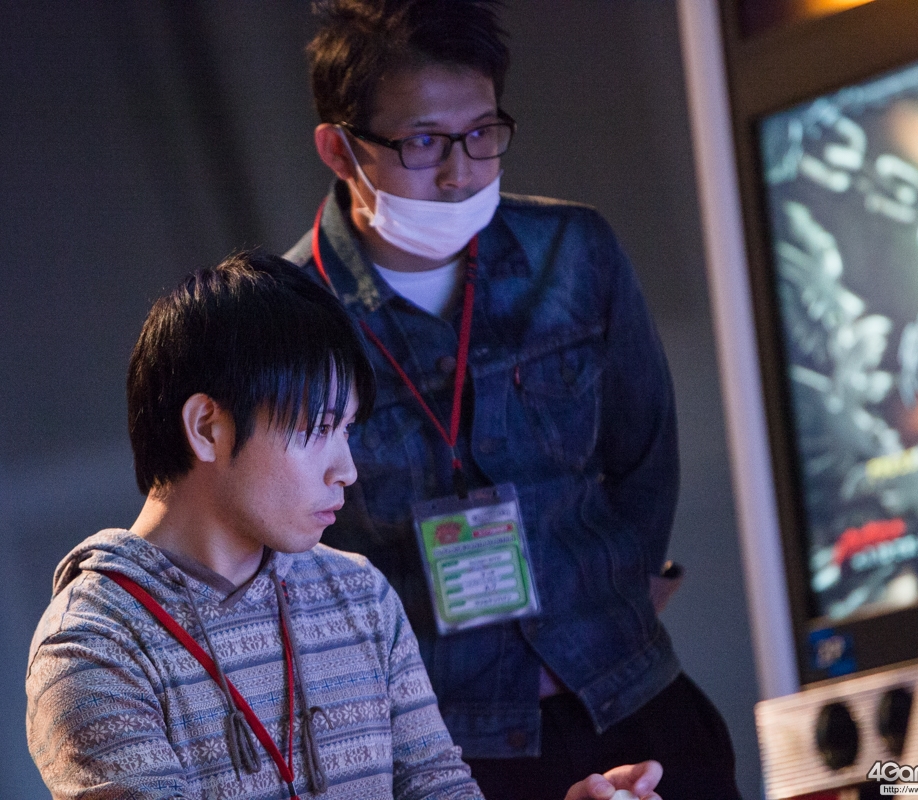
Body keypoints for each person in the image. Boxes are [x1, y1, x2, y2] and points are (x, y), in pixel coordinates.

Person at [283, 2, 741, 799]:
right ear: (340, 149)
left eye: (483, 133)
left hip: (627, 688)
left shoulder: (573, 252)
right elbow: (297, 558)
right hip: (453, 746)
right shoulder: (289, 319)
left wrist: (617, 591)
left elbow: (645, 455)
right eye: (423, 142)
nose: (461, 172)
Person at [24, 251, 663, 799]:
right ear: (207, 428)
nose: (347, 470)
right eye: (316, 429)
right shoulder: (94, 647)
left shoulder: (358, 594)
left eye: (348, 430)